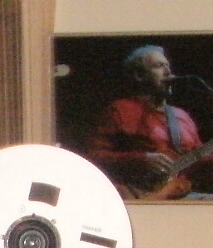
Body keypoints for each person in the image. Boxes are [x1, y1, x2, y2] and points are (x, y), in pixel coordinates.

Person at [87, 46, 204, 200]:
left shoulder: (182, 116)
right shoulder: (121, 110)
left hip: (179, 193)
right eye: (159, 66)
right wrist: (141, 159)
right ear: (139, 75)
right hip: (139, 194)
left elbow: (201, 158)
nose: (168, 72)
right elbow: (95, 156)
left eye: (168, 66)